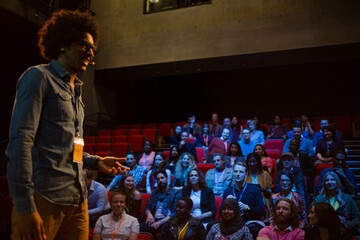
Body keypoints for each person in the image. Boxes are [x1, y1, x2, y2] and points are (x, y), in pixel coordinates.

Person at [6, 9, 128, 240]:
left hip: (77, 200)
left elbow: (74, 148)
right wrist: (24, 206)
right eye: (84, 44)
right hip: (45, 198)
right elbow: (20, 143)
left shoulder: (76, 92)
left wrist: (96, 161)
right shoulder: (38, 78)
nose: (90, 53)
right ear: (63, 43)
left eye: (93, 48)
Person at [222, 162, 265, 238]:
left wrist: (247, 208)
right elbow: (220, 212)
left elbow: (261, 210)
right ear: (233, 173)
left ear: (246, 174)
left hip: (249, 221)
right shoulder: (228, 191)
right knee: (211, 225)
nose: (238, 174)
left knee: (253, 230)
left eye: (241, 172)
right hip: (231, 221)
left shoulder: (254, 189)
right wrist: (226, 203)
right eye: (235, 171)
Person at [312, 171, 360, 236]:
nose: (329, 182)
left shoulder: (347, 198)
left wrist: (346, 225)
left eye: (332, 180)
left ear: (337, 182)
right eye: (327, 180)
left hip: (344, 231)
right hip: (324, 232)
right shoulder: (319, 199)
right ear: (324, 183)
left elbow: (357, 218)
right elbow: (313, 216)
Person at [140, 170, 181, 236]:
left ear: (167, 179)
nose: (160, 180)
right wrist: (149, 214)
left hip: (167, 221)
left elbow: (175, 213)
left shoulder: (175, 193)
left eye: (162, 178)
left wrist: (160, 222)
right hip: (154, 219)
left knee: (166, 231)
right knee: (138, 228)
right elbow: (147, 206)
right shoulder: (155, 192)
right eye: (158, 179)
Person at [245, 153, 273, 218]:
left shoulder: (265, 174)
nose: (252, 164)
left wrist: (263, 190)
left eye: (254, 162)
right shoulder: (245, 175)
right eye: (250, 162)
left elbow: (270, 192)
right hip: (248, 199)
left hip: (262, 197)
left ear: (258, 162)